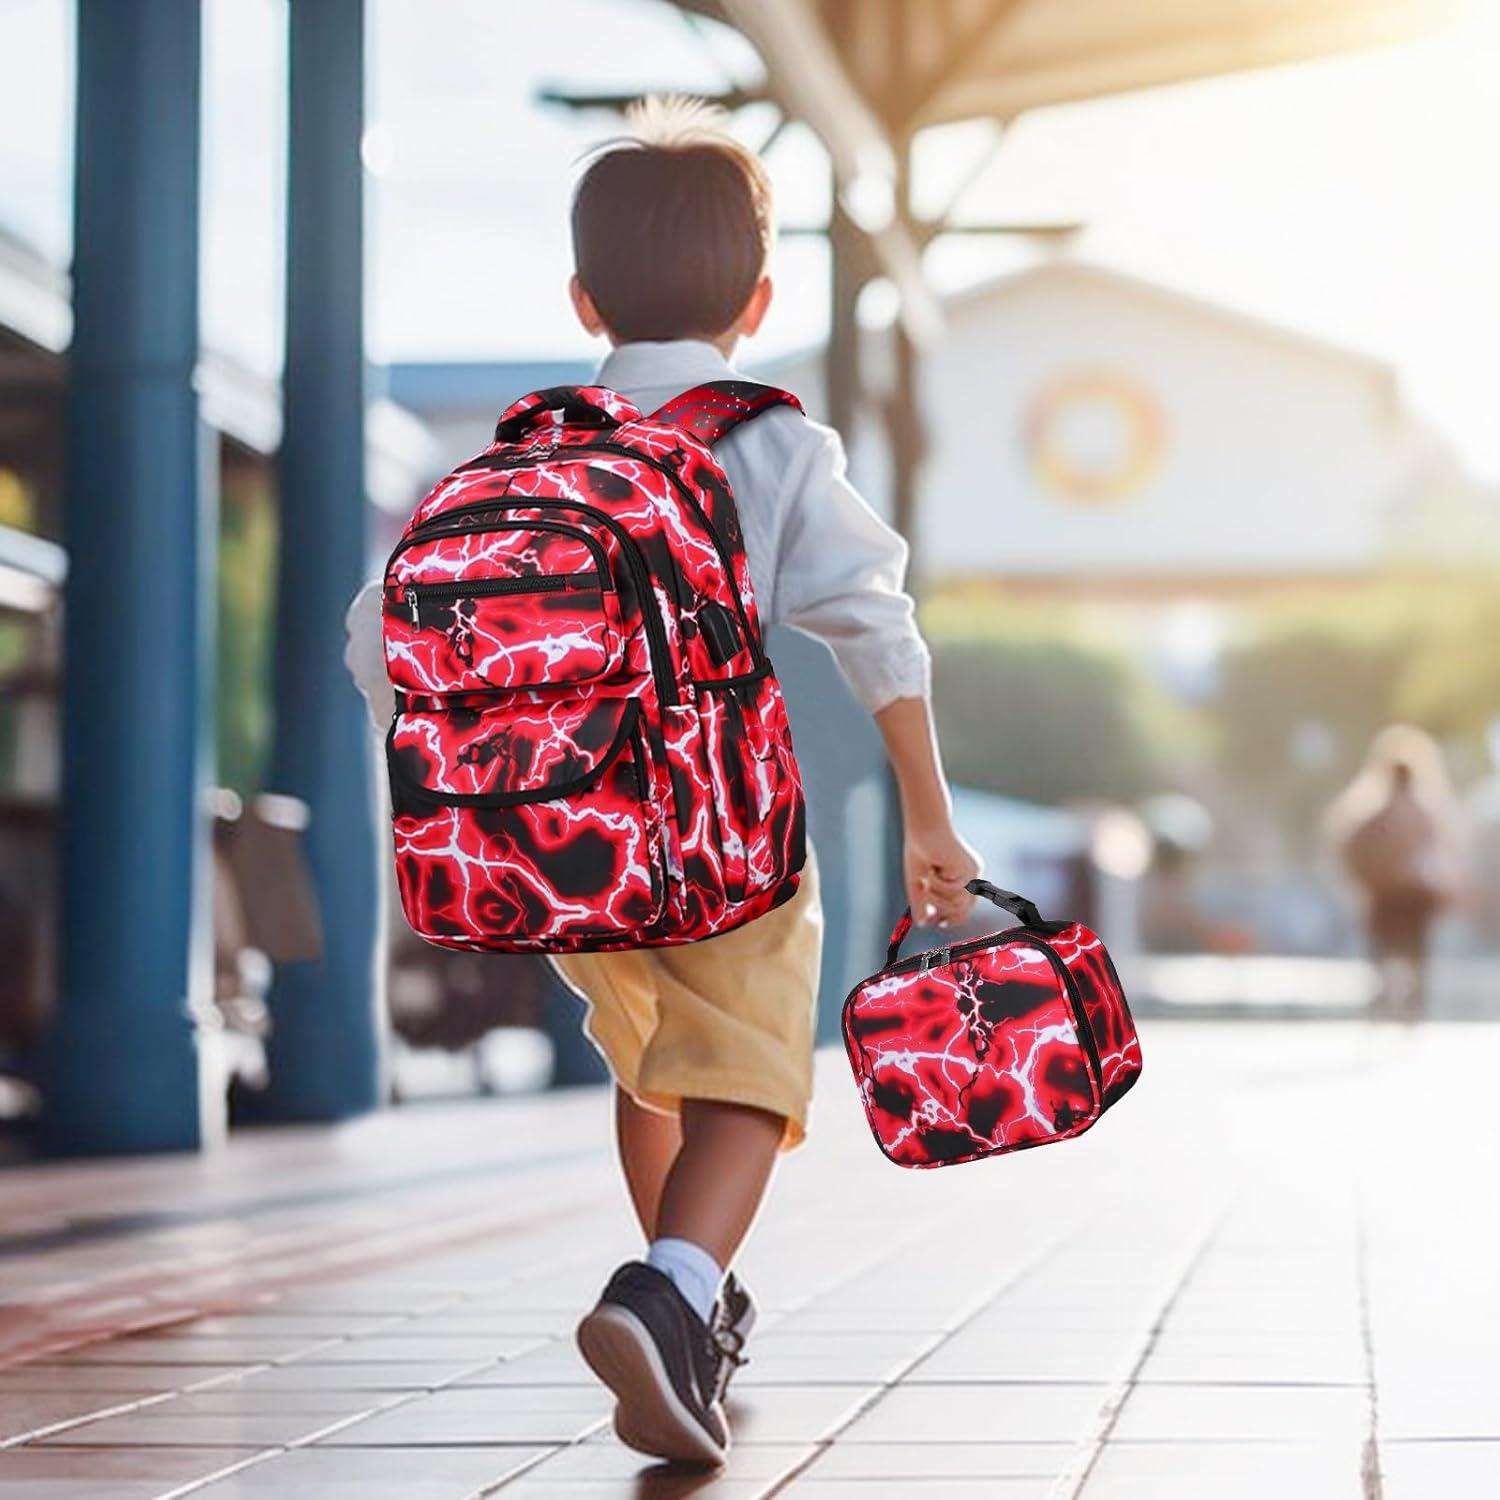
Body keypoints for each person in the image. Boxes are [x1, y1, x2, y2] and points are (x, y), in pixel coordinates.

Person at [343, 97, 979, 1466]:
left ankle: (688, 1294)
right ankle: (674, 1288)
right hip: (725, 836)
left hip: (561, 849)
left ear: (583, 298)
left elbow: (375, 640)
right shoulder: (773, 441)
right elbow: (875, 620)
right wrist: (929, 809)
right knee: (748, 1077)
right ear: (758, 301)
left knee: (653, 1072)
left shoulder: (517, 452)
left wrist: (497, 767)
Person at [1326, 724, 1465, 1023]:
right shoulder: (1377, 809)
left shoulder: (1411, 808)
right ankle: (1399, 1000)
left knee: (1401, 951)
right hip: (1396, 892)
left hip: (1403, 892)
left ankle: (1402, 1001)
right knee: (1397, 951)